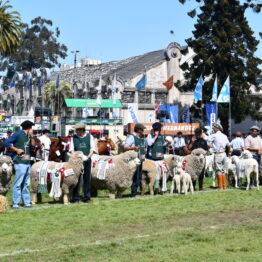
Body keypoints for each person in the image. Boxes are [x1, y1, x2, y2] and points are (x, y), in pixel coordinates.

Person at [4, 120, 35, 209]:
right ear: (28, 128)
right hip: (19, 162)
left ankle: (26, 202)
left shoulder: (28, 136)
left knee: (26, 184)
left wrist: (32, 137)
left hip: (27, 162)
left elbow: (32, 147)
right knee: (18, 184)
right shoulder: (18, 134)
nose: (32, 130)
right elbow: (6, 142)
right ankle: (15, 203)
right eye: (31, 128)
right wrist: (16, 149)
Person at [70, 123, 95, 203]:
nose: (75, 131)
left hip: (87, 160)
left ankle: (86, 197)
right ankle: (75, 197)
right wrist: (75, 156)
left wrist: (87, 157)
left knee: (86, 179)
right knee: (76, 179)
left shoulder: (89, 137)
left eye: (77, 130)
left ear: (81, 130)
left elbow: (92, 149)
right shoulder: (74, 138)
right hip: (77, 161)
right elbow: (72, 149)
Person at [124, 123, 146, 197]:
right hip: (134, 161)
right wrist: (133, 148)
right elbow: (125, 147)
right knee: (135, 177)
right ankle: (133, 193)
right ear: (138, 130)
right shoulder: (132, 137)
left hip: (140, 160)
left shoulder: (140, 137)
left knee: (139, 177)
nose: (143, 130)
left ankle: (136, 192)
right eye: (142, 129)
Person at [207, 123, 230, 190]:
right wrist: (227, 154)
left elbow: (207, 142)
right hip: (224, 154)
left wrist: (211, 147)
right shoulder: (224, 136)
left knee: (218, 170)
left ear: (217, 128)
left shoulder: (214, 135)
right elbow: (228, 146)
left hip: (218, 154)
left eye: (214, 127)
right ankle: (224, 185)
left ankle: (220, 186)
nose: (213, 129)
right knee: (223, 170)